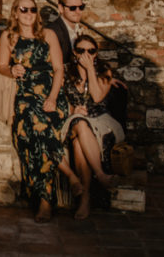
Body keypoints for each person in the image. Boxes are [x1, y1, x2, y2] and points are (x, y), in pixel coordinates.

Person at [0, 0, 67, 223]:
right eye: (23, 10)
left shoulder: (48, 35)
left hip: (49, 92)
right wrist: (11, 71)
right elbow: (1, 66)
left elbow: (58, 69)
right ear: (15, 12)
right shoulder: (8, 37)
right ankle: (67, 180)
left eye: (33, 10)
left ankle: (46, 201)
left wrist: (53, 98)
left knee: (42, 132)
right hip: (25, 96)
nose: (29, 14)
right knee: (25, 137)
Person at [57, 34, 124, 220]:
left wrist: (90, 71)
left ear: (96, 54)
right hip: (75, 120)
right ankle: (100, 176)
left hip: (101, 121)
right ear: (74, 52)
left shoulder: (104, 71)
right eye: (81, 50)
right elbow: (58, 100)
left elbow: (96, 97)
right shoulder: (65, 71)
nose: (86, 54)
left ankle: (84, 199)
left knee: (79, 141)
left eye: (91, 51)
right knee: (79, 123)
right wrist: (72, 108)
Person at [46, 0, 85, 66]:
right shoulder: (52, 31)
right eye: (72, 8)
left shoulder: (79, 29)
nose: (78, 11)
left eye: (81, 7)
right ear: (61, 8)